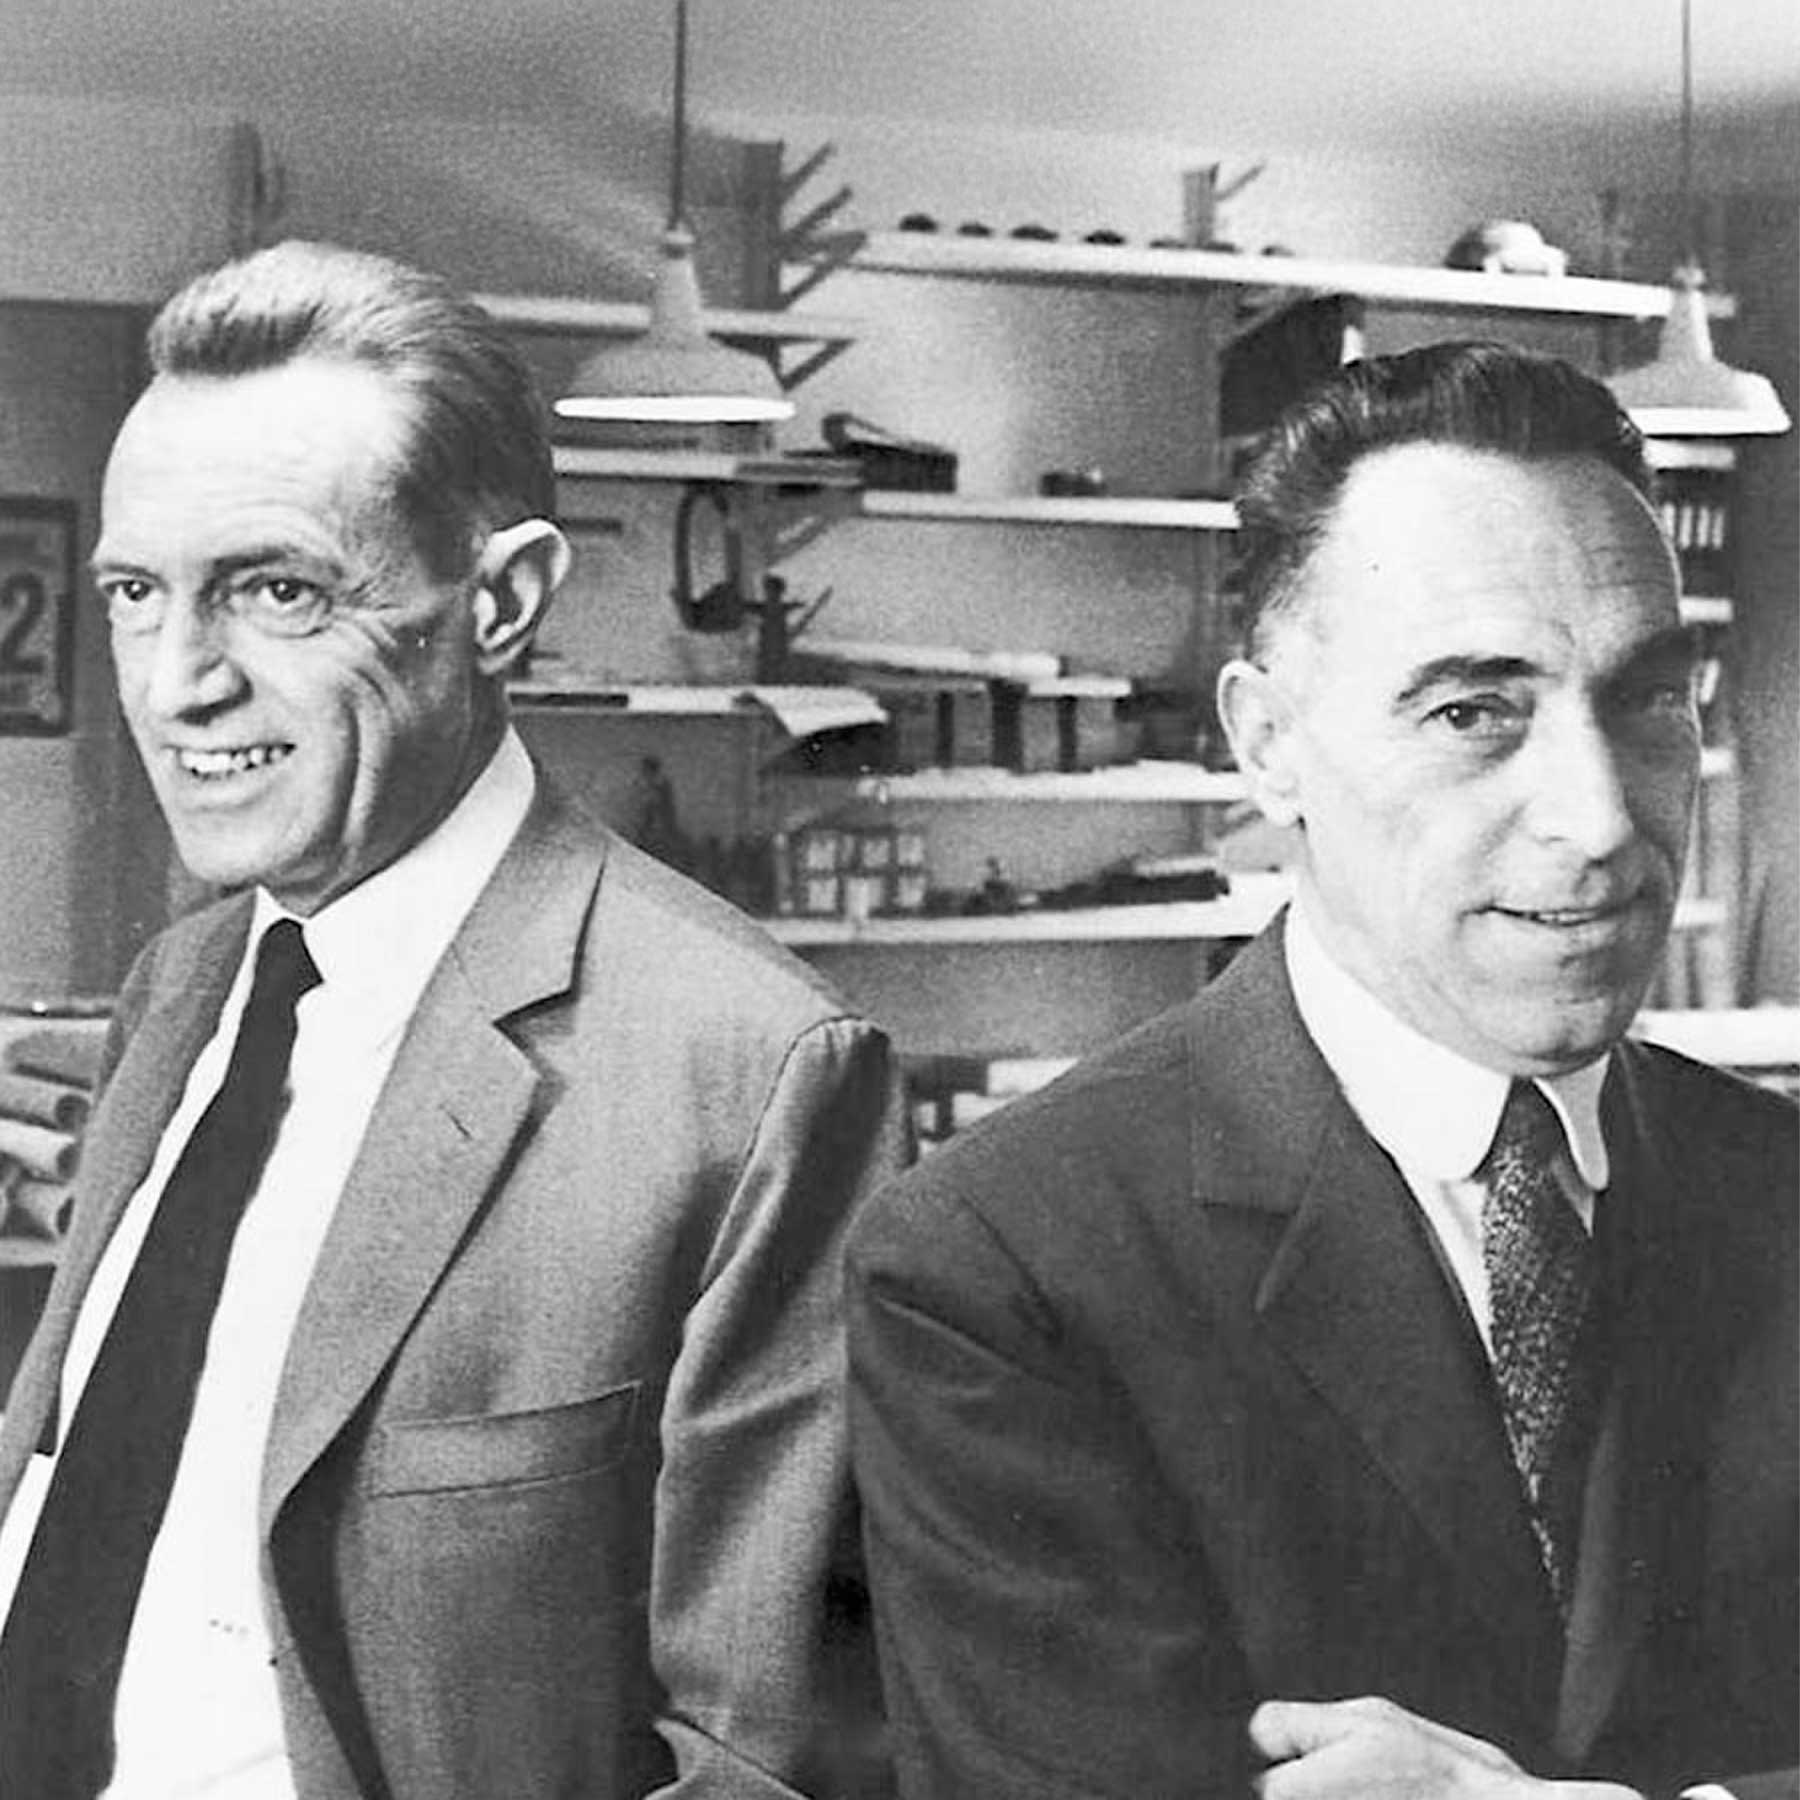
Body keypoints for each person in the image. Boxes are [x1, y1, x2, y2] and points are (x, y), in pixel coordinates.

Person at [0, 239, 910, 1799]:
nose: (173, 685)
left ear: (502, 602)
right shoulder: (188, 982)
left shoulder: (756, 1076)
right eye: (138, 595)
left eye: (276, 590)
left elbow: (755, 1762)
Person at [846, 341, 1797, 1800]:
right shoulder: (1001, 1267)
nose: (1602, 818)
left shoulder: (1778, 1189)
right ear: (1268, 742)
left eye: (1646, 698)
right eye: (1474, 711)